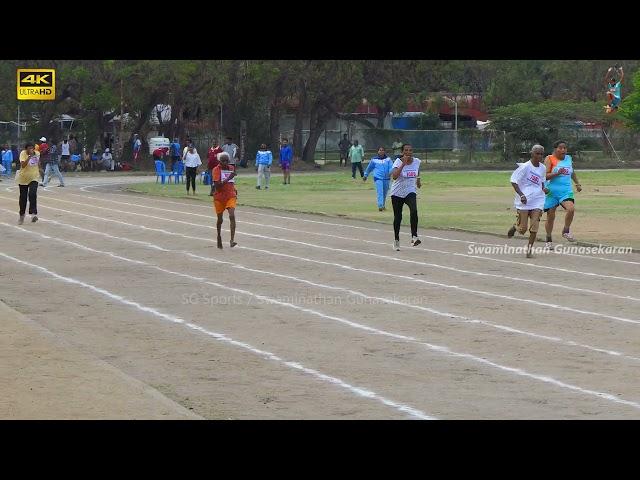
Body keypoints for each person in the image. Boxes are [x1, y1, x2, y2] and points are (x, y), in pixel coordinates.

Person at [507, 145, 548, 258]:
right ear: (532, 154)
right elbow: (513, 181)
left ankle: (529, 249)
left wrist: (544, 188)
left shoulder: (543, 168)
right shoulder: (525, 167)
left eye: (541, 154)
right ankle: (516, 227)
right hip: (524, 201)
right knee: (523, 229)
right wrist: (521, 195)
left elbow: (542, 181)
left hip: (538, 200)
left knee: (534, 226)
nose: (539, 156)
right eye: (537, 153)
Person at [543, 140, 582, 249]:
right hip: (551, 191)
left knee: (571, 209)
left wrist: (577, 183)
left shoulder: (569, 159)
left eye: (565, 148)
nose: (563, 150)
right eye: (560, 148)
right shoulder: (549, 158)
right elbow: (545, 176)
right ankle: (548, 239)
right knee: (550, 216)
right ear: (555, 149)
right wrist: (557, 173)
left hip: (565, 191)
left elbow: (572, 172)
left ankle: (566, 230)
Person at [390, 143, 422, 250]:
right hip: (397, 193)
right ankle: (396, 240)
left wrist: (418, 180)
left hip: (410, 191)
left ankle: (414, 236)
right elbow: (394, 176)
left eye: (410, 150)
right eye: (406, 150)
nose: (408, 152)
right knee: (398, 217)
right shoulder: (398, 162)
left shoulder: (417, 161)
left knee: (414, 210)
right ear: (402, 152)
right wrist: (403, 164)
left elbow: (417, 171)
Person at [212, 152, 238, 249]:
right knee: (220, 219)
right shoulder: (216, 170)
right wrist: (228, 178)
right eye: (223, 161)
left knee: (232, 215)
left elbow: (232, 182)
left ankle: (232, 240)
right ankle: (219, 236)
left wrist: (234, 189)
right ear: (220, 161)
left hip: (230, 195)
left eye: (227, 161)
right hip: (219, 197)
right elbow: (217, 186)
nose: (225, 162)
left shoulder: (231, 168)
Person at [363, 146, 393, 211]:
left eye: (382, 150)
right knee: (380, 192)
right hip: (378, 177)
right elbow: (369, 168)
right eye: (380, 150)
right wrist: (365, 175)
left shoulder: (388, 159)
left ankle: (383, 205)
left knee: (385, 192)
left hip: (387, 178)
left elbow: (391, 167)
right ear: (378, 151)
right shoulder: (374, 160)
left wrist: (391, 172)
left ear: (385, 151)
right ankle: (380, 206)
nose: (381, 151)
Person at [17, 143, 40, 224]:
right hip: (23, 178)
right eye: (29, 148)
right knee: (23, 198)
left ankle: (33, 214)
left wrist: (42, 172)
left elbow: (37, 163)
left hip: (34, 177)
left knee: (32, 194)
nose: (31, 150)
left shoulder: (37, 153)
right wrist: (29, 157)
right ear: (26, 149)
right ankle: (22, 215)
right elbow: (23, 165)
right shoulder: (23, 154)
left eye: (32, 148)